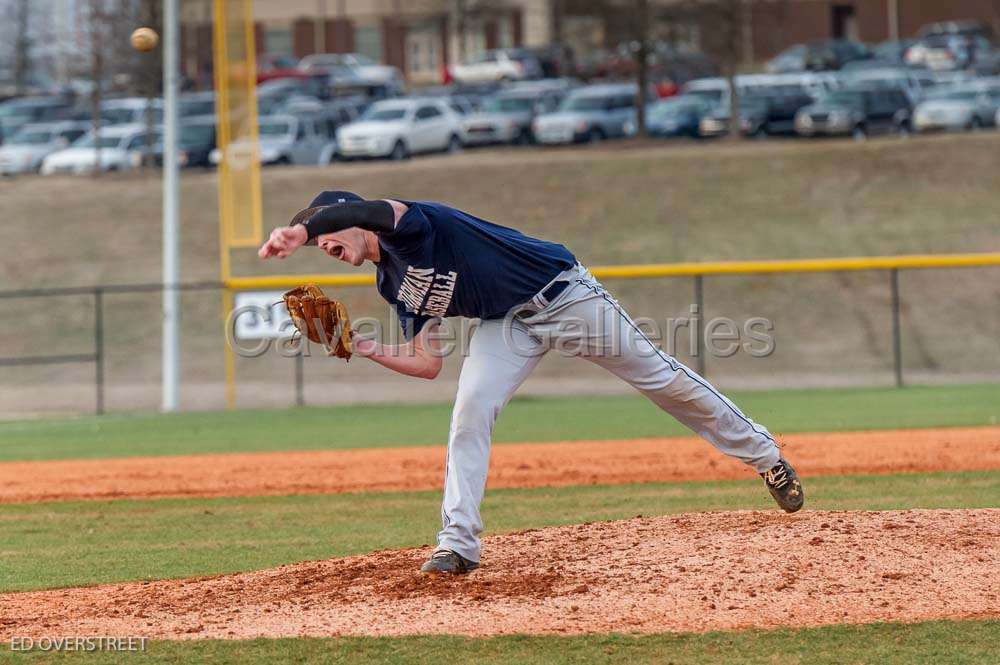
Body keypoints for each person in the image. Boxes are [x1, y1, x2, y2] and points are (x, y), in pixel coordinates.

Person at [259, 191, 804, 574]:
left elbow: (367, 206)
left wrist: (301, 228)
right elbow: (428, 363)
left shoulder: (410, 224)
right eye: (317, 245)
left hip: (563, 294)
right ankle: (458, 545)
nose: (324, 246)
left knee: (661, 378)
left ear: (354, 223)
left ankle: (765, 456)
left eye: (328, 234)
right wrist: (363, 347)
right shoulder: (392, 284)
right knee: (470, 408)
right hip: (505, 325)